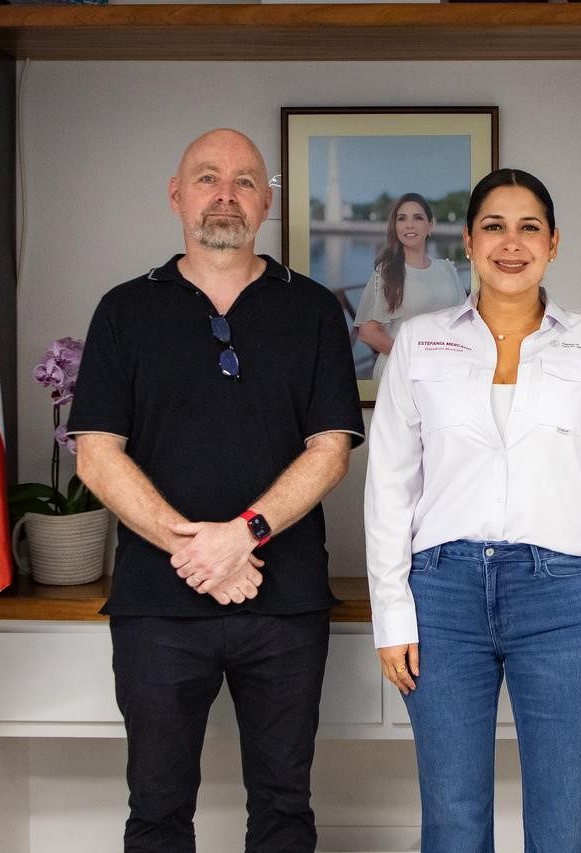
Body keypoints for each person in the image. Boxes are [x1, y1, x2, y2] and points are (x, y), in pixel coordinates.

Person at [68, 128, 365, 853]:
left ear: (266, 203)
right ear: (176, 196)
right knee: (157, 810)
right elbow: (96, 456)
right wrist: (196, 549)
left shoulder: (314, 309)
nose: (225, 194)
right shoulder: (123, 310)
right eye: (207, 178)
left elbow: (330, 451)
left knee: (284, 810)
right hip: (158, 606)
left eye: (244, 181)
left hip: (285, 601)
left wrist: (242, 536)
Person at [363, 168, 581, 852]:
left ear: (553, 243)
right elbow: (390, 486)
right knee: (453, 822)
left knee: (564, 823)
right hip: (441, 597)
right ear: (468, 242)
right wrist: (392, 611)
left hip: (563, 600)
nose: (511, 243)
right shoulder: (420, 342)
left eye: (529, 228)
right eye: (494, 227)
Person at [355, 192, 465, 379]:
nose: (409, 225)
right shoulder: (386, 272)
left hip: (444, 372)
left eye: (418, 218)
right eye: (402, 218)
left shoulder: (447, 268)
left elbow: (462, 322)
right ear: (395, 226)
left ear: (430, 225)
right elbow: (368, 332)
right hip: (399, 370)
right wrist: (415, 359)